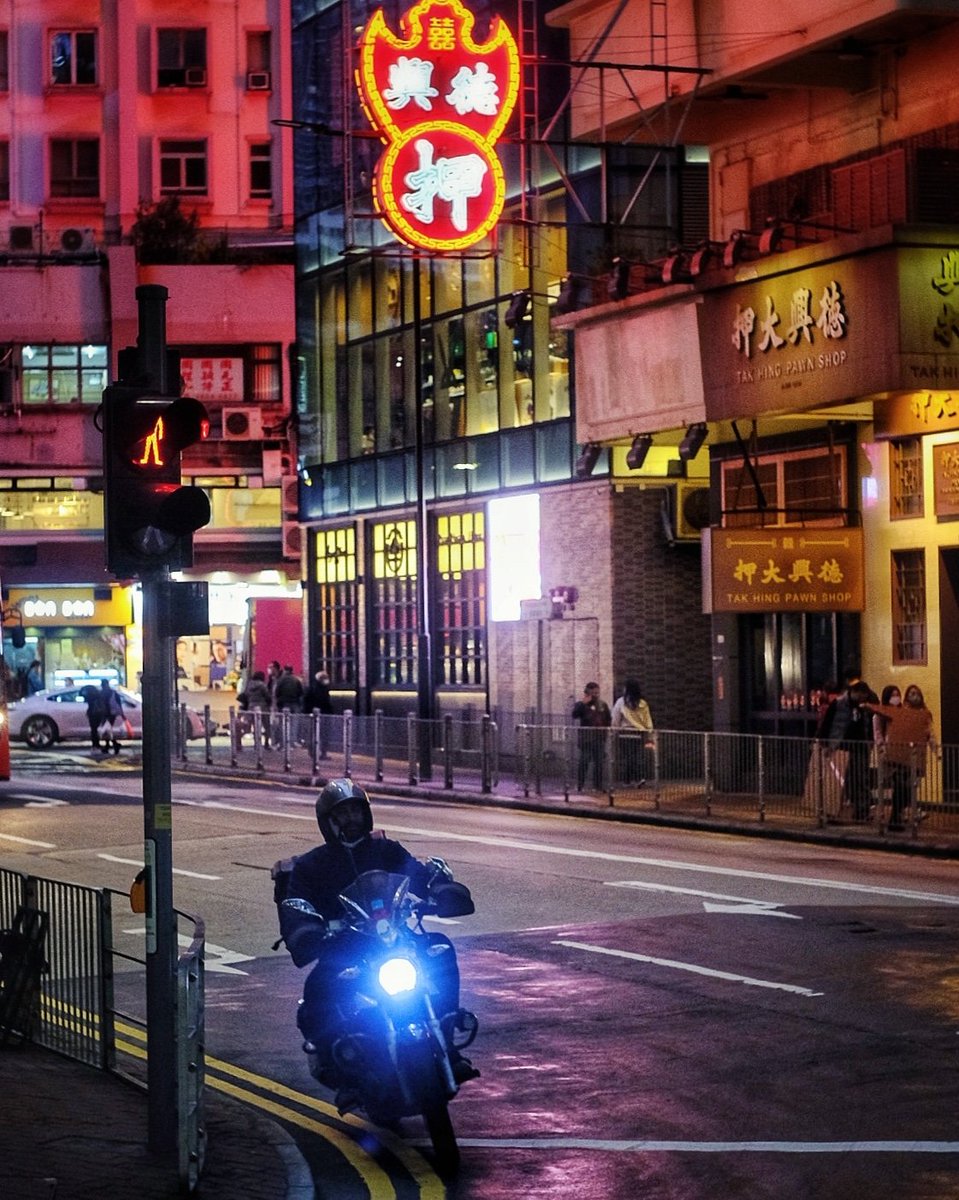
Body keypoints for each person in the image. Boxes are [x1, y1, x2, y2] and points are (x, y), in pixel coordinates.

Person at [279, 779, 477, 1092]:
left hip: (396, 940)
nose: (352, 820)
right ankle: (341, 1065)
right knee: (318, 991)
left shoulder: (386, 850)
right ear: (328, 822)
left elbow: (418, 875)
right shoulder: (311, 866)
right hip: (346, 947)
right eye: (343, 815)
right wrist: (305, 928)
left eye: (357, 812)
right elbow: (297, 904)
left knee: (440, 948)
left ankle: (447, 1035)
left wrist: (439, 890)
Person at [865, 684, 936, 830]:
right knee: (900, 786)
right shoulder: (879, 715)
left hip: (905, 756)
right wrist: (883, 748)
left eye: (897, 694)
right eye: (893, 695)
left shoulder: (903, 712)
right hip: (890, 756)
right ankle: (895, 818)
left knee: (904, 787)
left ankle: (896, 816)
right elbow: (878, 734)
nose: (895, 697)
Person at [818, 671, 877, 821]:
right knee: (839, 781)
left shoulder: (864, 707)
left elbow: (869, 725)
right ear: (853, 692)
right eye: (861, 695)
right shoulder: (838, 704)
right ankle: (832, 811)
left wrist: (870, 741)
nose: (863, 698)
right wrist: (824, 743)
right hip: (840, 747)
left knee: (861, 779)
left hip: (860, 747)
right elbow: (827, 723)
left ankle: (862, 812)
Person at [611, 678, 654, 786]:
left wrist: (614, 730)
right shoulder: (643, 703)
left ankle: (628, 780)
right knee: (638, 756)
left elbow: (615, 718)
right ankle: (639, 777)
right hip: (639, 733)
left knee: (627, 757)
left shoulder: (621, 702)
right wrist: (649, 732)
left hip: (624, 734)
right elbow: (647, 719)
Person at [572, 681, 611, 792]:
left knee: (599, 762)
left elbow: (608, 719)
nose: (596, 695)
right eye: (593, 693)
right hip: (587, 739)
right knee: (584, 761)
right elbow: (574, 715)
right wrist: (583, 704)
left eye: (597, 693)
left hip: (599, 738)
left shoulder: (603, 705)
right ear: (588, 693)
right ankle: (580, 785)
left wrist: (605, 732)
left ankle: (597, 785)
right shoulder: (582, 704)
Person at [272, 665, 305, 747]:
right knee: (294, 724)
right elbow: (301, 692)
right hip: (294, 703)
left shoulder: (280, 680)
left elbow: (276, 692)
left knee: (283, 723)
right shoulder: (296, 680)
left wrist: (277, 702)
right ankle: (292, 742)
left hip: (283, 704)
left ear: (284, 670)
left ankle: (283, 742)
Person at [239, 669, 272, 747]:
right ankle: (266, 743)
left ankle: (256, 743)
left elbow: (246, 695)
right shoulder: (262, 685)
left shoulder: (249, 685)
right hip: (263, 707)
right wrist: (269, 703)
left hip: (251, 706)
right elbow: (267, 696)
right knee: (266, 725)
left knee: (255, 726)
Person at [92, 678, 123, 755]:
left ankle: (112, 745)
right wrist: (121, 713)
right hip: (112, 714)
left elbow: (99, 704)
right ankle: (110, 745)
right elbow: (118, 703)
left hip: (105, 714)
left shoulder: (102, 693)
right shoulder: (113, 692)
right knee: (108, 730)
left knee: (107, 730)